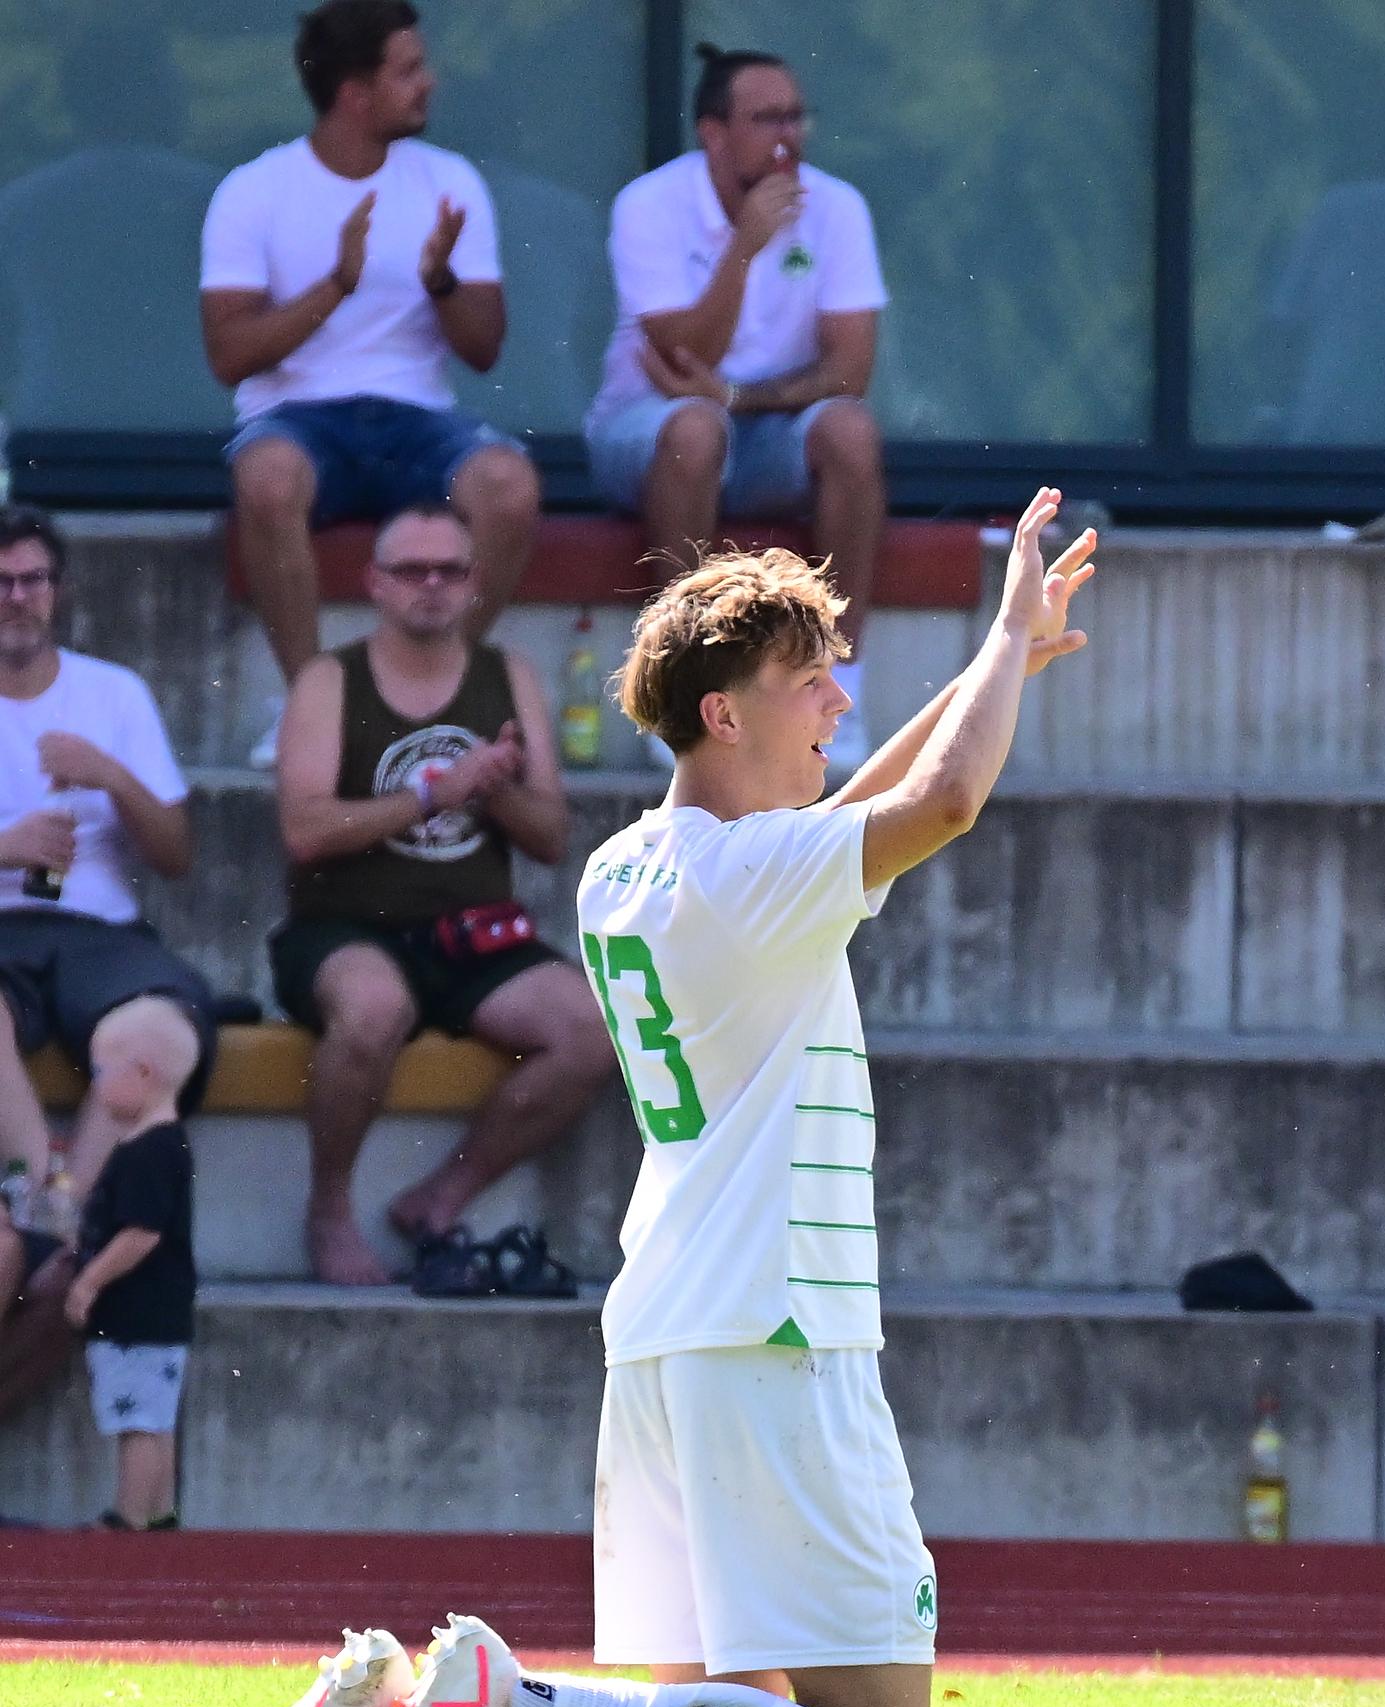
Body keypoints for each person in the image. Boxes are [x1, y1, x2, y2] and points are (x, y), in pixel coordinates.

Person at [233, 488, 1094, 1707]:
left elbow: (866, 801)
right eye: (813, 683)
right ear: (726, 714)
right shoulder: (748, 878)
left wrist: (1000, 658)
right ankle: (507, 1689)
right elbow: (948, 800)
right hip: (776, 1332)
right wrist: (1000, 633)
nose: (837, 706)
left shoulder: (627, 867)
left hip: (668, 1332)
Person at [270, 504, 604, 1289]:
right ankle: (328, 1210)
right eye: (411, 570)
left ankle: (440, 1198)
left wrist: (490, 793)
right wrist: (433, 795)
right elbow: (305, 831)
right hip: (343, 928)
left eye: (449, 570)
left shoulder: (506, 675)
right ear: (374, 583)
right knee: (374, 1009)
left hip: (472, 934)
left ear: (474, 584)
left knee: (595, 1030)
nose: (431, 586)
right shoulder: (329, 678)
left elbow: (552, 836)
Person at [202, 0, 539, 762]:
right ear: (356, 92)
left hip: (417, 420)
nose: (430, 82)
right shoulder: (254, 192)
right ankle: (309, 710)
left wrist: (443, 281)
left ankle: (440, 693)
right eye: (409, 69)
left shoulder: (449, 183)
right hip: (297, 420)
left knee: (510, 487)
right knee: (265, 479)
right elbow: (229, 356)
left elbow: (483, 350)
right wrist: (334, 287)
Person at [587, 44, 888, 769]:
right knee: (694, 430)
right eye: (767, 118)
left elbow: (851, 372)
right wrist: (745, 246)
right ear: (714, 133)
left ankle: (837, 682)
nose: (790, 136)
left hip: (768, 431)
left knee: (850, 435)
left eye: (796, 115)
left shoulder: (837, 206)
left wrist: (739, 399)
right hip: (645, 430)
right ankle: (681, 694)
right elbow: (689, 354)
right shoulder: (651, 205)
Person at [0, 505, 216, 1315]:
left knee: (156, 1034)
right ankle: (41, 1201)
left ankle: (66, 1215)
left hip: (102, 932)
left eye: (32, 580)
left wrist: (112, 776)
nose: (16, 597)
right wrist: (7, 845)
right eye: (1, 582)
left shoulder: (112, 693)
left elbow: (177, 856)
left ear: (57, 589)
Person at [59, 998, 200, 1532]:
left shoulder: (148, 1151)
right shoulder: (159, 1145)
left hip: (138, 1313)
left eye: (100, 1070)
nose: (95, 1084)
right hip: (158, 1312)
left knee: (137, 1420)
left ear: (143, 1073)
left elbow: (141, 1233)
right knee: (155, 1418)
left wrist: (89, 1281)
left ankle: (131, 1517)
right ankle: (158, 1513)